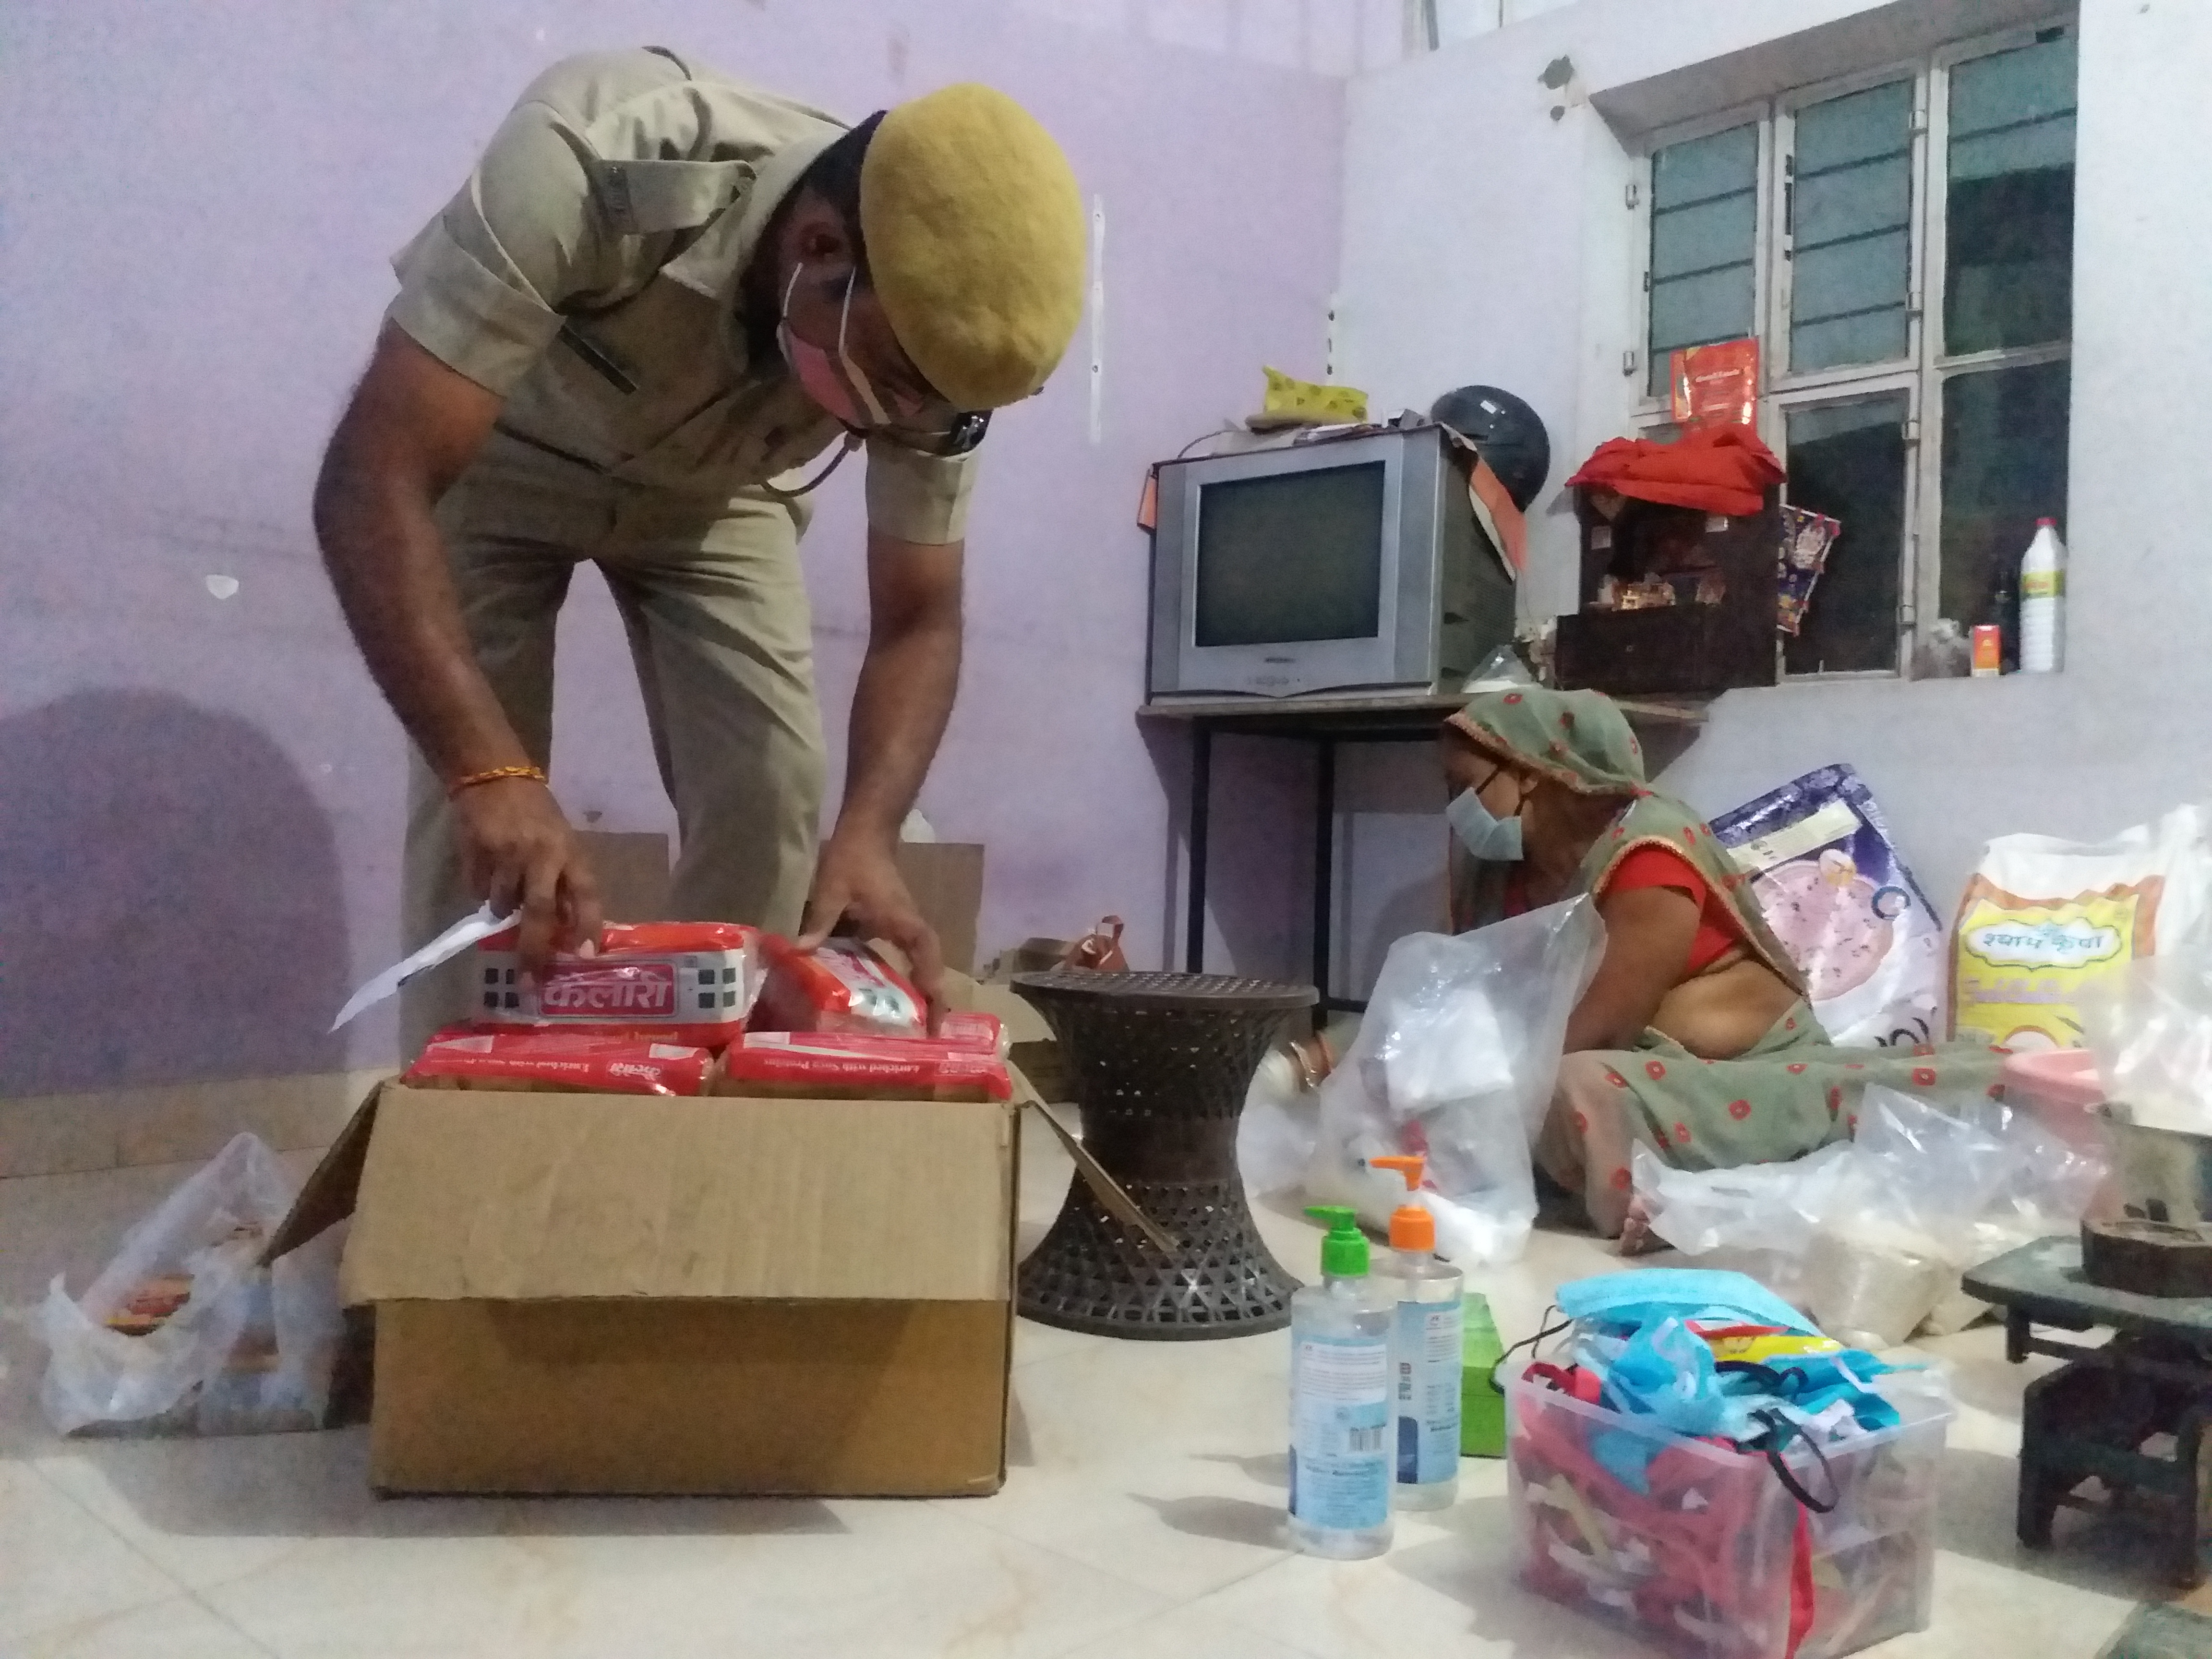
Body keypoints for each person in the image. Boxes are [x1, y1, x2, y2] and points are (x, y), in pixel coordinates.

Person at [313, 48, 1086, 1050]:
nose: (907, 422)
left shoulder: (936, 362)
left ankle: (700, 1100)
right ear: (819, 246)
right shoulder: (597, 163)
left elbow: (918, 616)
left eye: (938, 409)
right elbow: (373, 479)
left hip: (718, 496)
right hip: (503, 456)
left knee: (772, 787)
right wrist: (491, 777)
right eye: (896, 382)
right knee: (487, 826)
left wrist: (869, 837)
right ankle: (467, 1122)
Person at [1441, 687, 2001, 1238]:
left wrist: (1464, 1085)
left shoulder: (1649, 850)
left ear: (1531, 774)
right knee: (1415, 1076)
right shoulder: (1502, 875)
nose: (1454, 811)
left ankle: (1711, 1195)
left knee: (1574, 1086)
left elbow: (1604, 1030)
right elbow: (1479, 994)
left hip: (1740, 1074)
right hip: (1632, 1069)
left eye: (1464, 788)